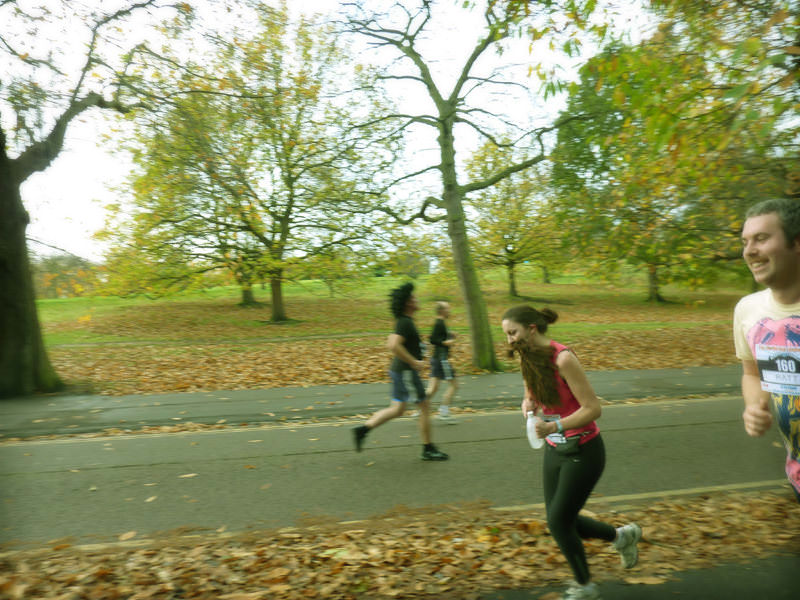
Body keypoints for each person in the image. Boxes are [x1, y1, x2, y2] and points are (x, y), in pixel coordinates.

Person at [502, 305, 641, 600]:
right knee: (561, 519)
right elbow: (532, 389)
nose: (509, 341)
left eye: (512, 332)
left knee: (557, 522)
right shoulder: (528, 355)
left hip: (584, 449)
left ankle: (585, 586)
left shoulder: (563, 358)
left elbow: (593, 410)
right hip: (555, 448)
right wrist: (528, 403)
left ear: (531, 328)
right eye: (506, 335)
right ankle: (621, 536)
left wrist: (552, 426)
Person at [733, 198, 800, 503]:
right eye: (746, 241)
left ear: (796, 243)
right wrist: (754, 405)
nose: (749, 251)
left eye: (761, 238)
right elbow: (751, 373)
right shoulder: (748, 310)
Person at [352, 282, 449, 461]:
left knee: (397, 409)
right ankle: (428, 449)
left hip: (399, 371)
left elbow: (393, 341)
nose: (417, 299)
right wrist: (414, 362)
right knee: (424, 406)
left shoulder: (404, 321)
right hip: (406, 372)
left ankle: (363, 429)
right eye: (414, 298)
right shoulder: (405, 322)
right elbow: (393, 345)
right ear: (408, 303)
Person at [427, 301, 459, 423]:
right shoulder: (439, 323)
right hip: (442, 359)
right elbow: (433, 339)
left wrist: (450, 334)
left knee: (433, 388)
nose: (449, 310)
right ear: (441, 311)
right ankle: (443, 411)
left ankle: (420, 408)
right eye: (447, 308)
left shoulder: (441, 323)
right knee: (454, 385)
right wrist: (446, 342)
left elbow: (438, 336)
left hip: (437, 358)